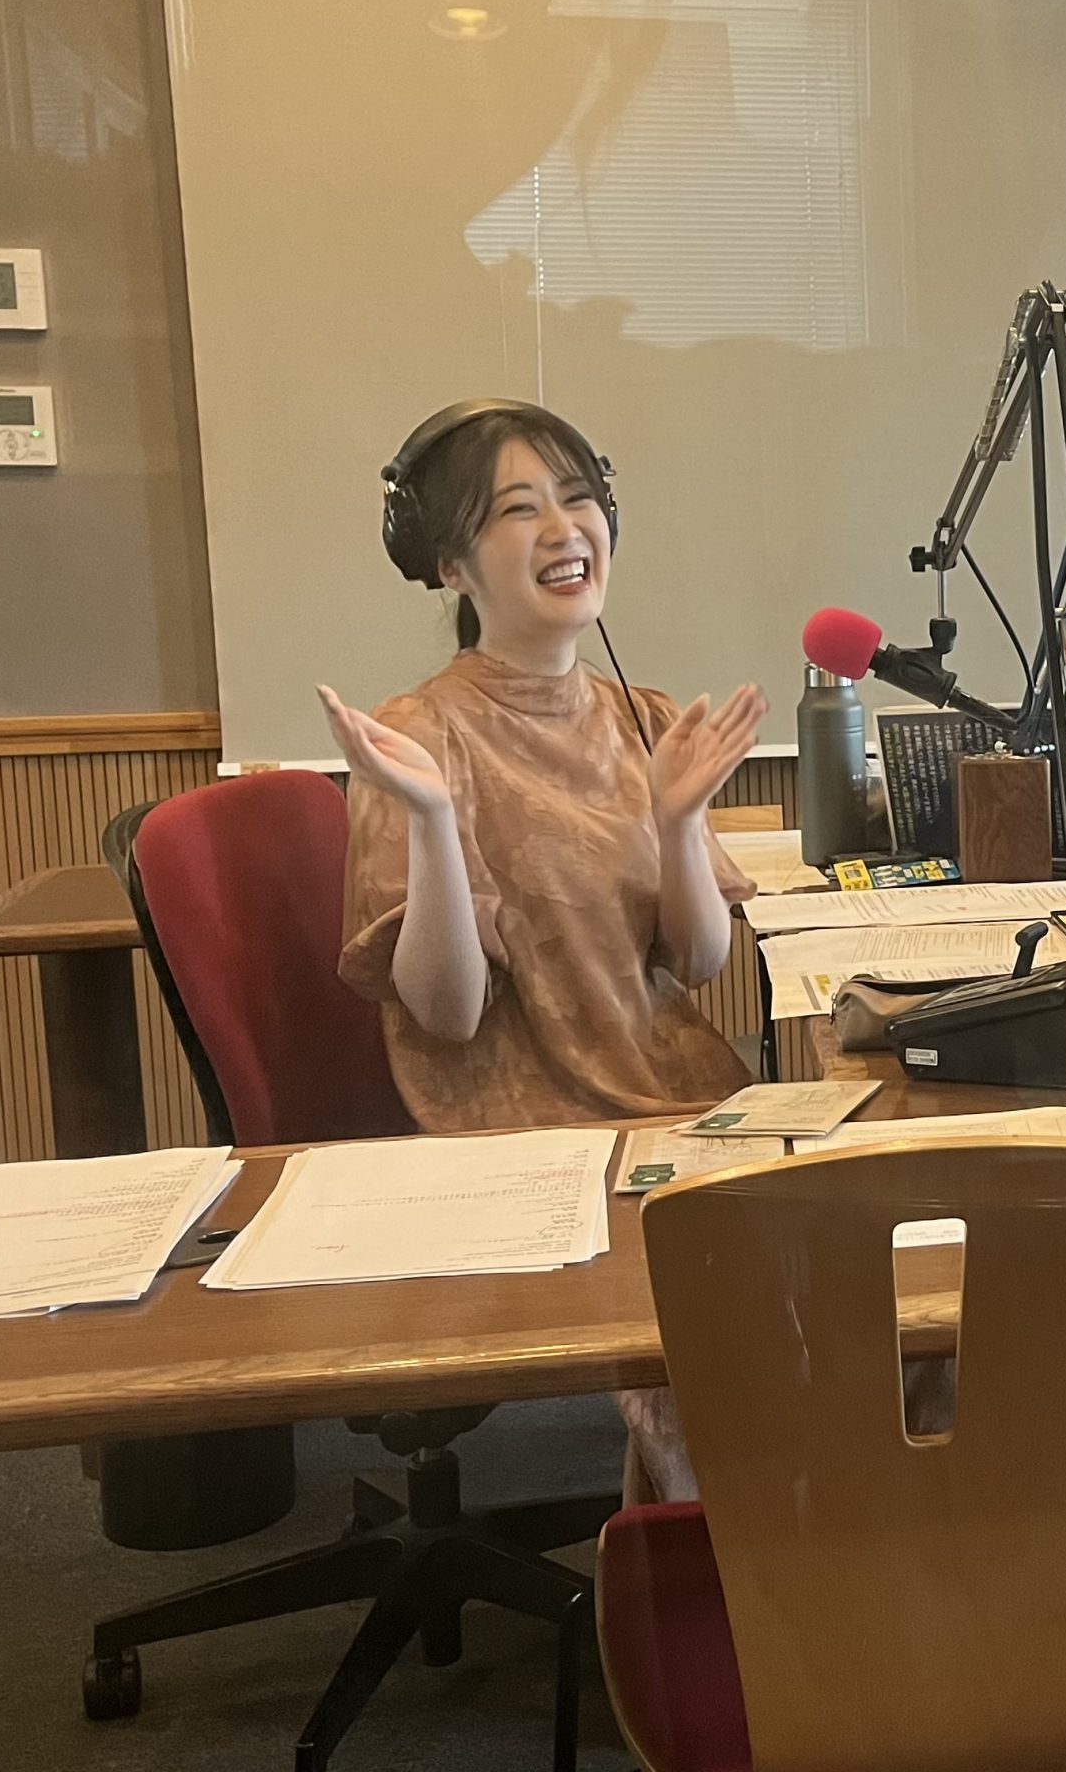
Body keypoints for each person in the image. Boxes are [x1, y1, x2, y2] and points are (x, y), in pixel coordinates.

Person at [318, 400, 764, 1500]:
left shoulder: (640, 714)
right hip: (526, 1133)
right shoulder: (418, 736)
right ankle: (704, 1584)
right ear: (449, 565)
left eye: (578, 499)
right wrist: (430, 821)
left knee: (888, 1282)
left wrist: (678, 822)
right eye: (518, 510)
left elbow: (698, 962)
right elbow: (447, 1015)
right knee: (721, 1349)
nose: (564, 529)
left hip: (680, 1104)